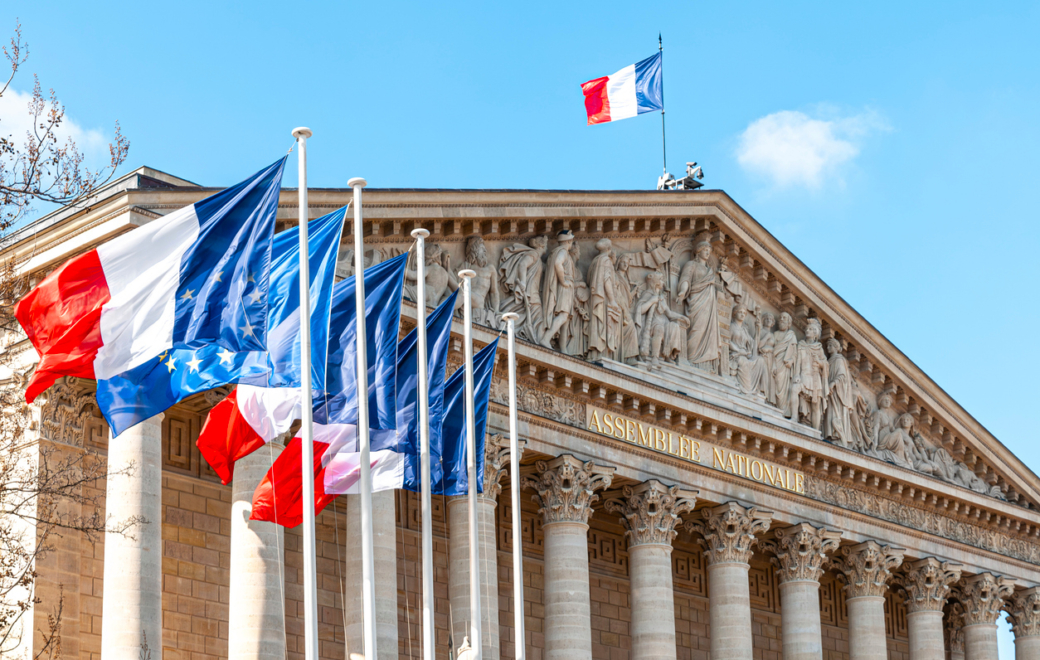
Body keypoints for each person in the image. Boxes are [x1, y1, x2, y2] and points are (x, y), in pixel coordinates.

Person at [676, 235, 724, 374]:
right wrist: (682, 292)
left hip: (709, 307)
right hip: (696, 303)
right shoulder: (691, 265)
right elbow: (685, 279)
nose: (708, 252)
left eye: (709, 250)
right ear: (698, 251)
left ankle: (705, 365)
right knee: (697, 330)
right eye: (705, 249)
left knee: (709, 332)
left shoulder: (710, 271)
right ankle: (692, 360)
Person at [498, 236, 548, 343]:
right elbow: (523, 264)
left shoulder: (538, 260)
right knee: (538, 320)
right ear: (542, 245)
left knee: (533, 318)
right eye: (546, 244)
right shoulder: (534, 254)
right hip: (530, 294)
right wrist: (523, 283)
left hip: (533, 294)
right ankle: (539, 342)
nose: (547, 247)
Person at [634, 272, 689, 368]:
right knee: (659, 329)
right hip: (653, 323)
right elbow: (640, 310)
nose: (663, 282)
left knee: (674, 326)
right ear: (655, 282)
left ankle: (667, 355)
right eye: (660, 279)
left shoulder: (662, 298)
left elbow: (669, 313)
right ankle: (655, 357)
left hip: (663, 321)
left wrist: (682, 317)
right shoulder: (647, 294)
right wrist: (651, 301)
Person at [540, 231, 578, 351]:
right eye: (571, 240)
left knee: (566, 318)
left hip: (566, 288)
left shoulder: (559, 252)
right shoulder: (563, 252)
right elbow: (558, 263)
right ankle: (546, 338)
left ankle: (563, 349)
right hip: (564, 288)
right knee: (563, 315)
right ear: (568, 241)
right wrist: (563, 281)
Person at [586, 238, 623, 362]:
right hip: (604, 300)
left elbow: (589, 280)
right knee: (604, 325)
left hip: (595, 299)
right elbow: (606, 280)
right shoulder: (606, 261)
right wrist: (612, 300)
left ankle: (594, 353)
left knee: (597, 324)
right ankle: (603, 355)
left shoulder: (595, 261)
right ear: (609, 249)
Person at [792, 318, 828, 431]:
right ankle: (794, 418)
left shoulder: (819, 348)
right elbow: (798, 361)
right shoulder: (801, 345)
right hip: (803, 376)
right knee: (794, 389)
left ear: (815, 333)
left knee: (815, 406)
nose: (807, 330)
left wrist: (819, 362)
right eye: (807, 329)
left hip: (815, 379)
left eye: (811, 329)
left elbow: (825, 364)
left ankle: (816, 431)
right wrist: (796, 375)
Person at [458, 236, 500, 328]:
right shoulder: (466, 266)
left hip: (479, 302)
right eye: (482, 248)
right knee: (460, 294)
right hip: (465, 302)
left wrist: (496, 312)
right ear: (474, 251)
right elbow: (454, 283)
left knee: (462, 294)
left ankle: (443, 309)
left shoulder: (490, 269)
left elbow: (494, 292)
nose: (485, 250)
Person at [727, 304, 768, 397]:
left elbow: (753, 344)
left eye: (744, 313)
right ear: (735, 314)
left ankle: (758, 390)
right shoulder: (732, 327)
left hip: (745, 355)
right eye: (740, 312)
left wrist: (757, 330)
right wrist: (738, 350)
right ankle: (747, 389)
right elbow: (728, 341)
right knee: (743, 361)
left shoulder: (744, 330)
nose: (742, 314)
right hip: (735, 354)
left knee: (760, 360)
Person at [823, 338, 855, 447]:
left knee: (835, 413)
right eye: (827, 346)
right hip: (830, 391)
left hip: (837, 393)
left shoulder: (839, 359)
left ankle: (837, 436)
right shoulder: (829, 361)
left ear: (836, 347)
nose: (828, 348)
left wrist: (833, 383)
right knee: (830, 412)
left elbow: (842, 376)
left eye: (830, 346)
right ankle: (830, 434)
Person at [772, 312, 798, 418]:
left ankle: (783, 411)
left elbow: (795, 353)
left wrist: (791, 361)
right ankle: (777, 408)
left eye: (784, 318)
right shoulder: (775, 334)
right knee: (777, 385)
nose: (782, 319)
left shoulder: (791, 335)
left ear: (789, 323)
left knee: (784, 388)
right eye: (780, 317)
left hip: (785, 365)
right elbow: (771, 349)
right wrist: (773, 364)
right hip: (776, 362)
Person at [758, 312, 777, 405]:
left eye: (770, 319)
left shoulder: (773, 335)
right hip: (763, 357)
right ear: (763, 321)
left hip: (771, 358)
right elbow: (758, 345)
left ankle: (768, 400)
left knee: (770, 380)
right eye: (766, 319)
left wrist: (774, 365)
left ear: (773, 322)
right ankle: (762, 394)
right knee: (764, 375)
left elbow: (775, 351)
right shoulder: (761, 331)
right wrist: (766, 337)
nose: (769, 320)